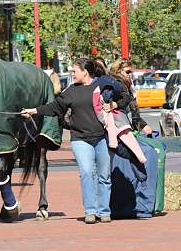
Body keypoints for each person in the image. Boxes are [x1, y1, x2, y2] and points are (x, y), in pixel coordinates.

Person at [21, 58, 127, 224]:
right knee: (86, 173)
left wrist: (113, 104)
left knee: (104, 176)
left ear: (85, 72)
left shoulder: (102, 85)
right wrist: (34, 111)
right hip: (80, 139)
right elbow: (55, 107)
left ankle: (104, 211)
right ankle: (90, 211)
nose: (72, 73)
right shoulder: (71, 91)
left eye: (74, 71)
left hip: (102, 137)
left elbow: (125, 98)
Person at [110, 59, 153, 136]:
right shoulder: (119, 83)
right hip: (123, 127)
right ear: (119, 71)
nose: (130, 74)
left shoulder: (125, 83)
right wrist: (116, 104)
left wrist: (142, 125)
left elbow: (132, 110)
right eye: (127, 72)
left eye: (131, 72)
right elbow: (126, 102)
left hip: (125, 125)